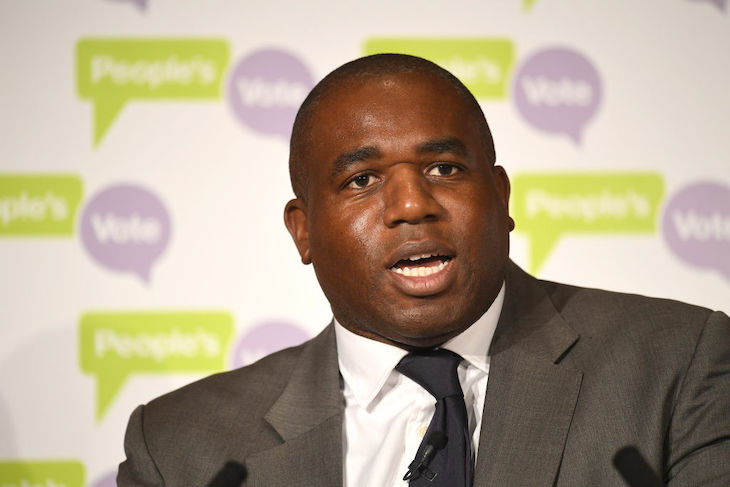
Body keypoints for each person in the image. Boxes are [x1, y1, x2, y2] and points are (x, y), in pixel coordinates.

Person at [117, 54, 730, 486]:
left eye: (444, 169)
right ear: (303, 231)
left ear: (501, 199)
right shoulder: (181, 447)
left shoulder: (678, 365)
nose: (412, 205)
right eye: (362, 179)